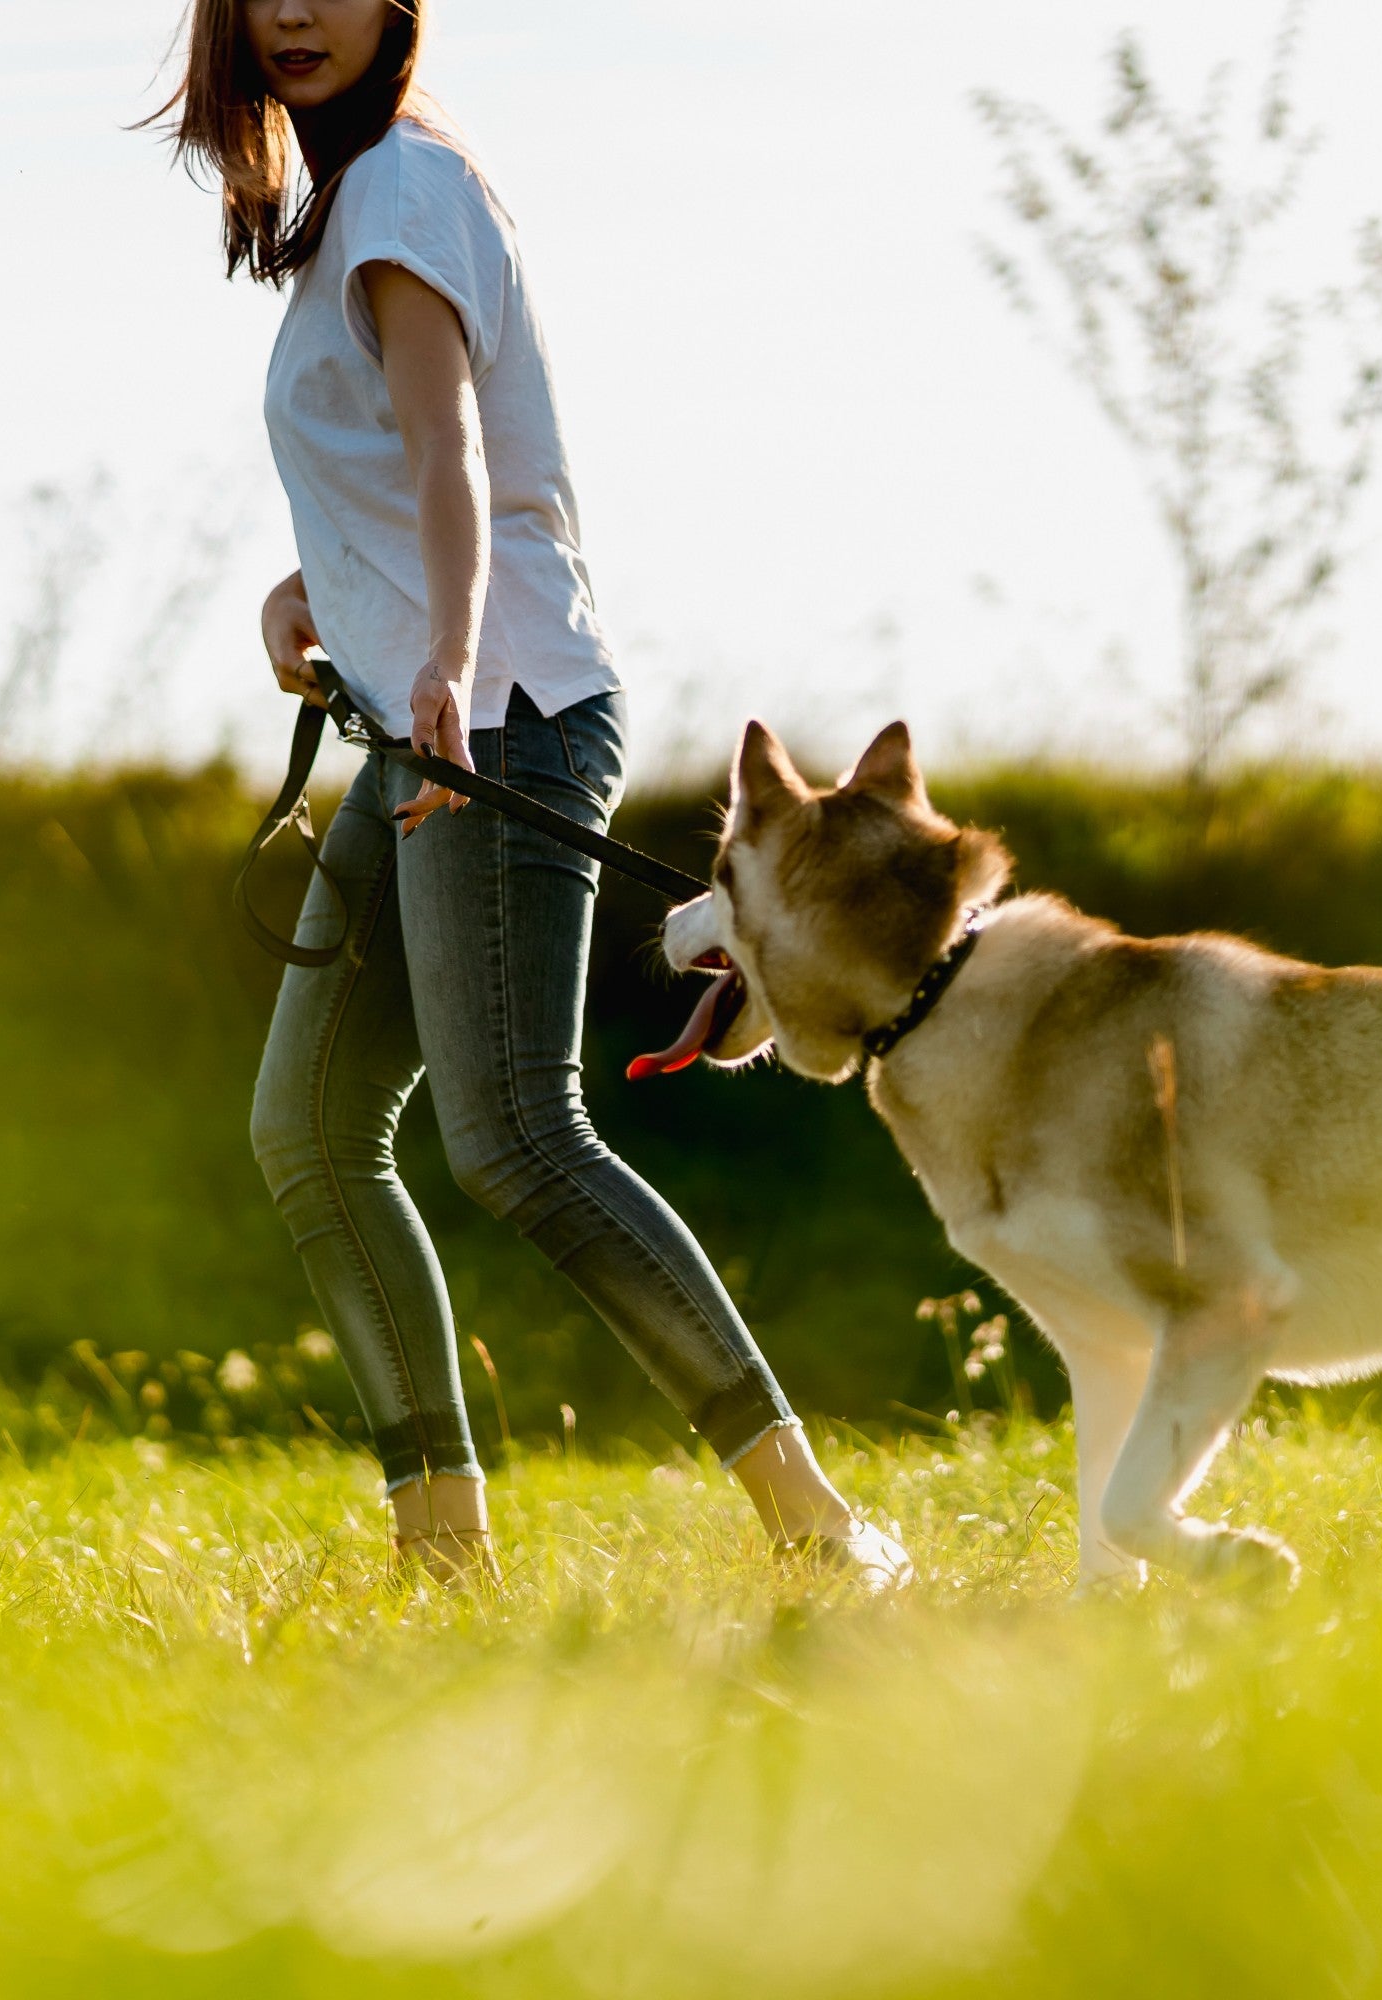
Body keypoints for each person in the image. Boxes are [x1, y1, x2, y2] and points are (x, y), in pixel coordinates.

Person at [159, 0, 905, 1584]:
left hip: (497, 721)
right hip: (426, 725)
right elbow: (414, 456)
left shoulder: (409, 187)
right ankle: (444, 1561)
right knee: (307, 1128)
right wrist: (315, 592)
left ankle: (819, 1529)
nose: (294, 11)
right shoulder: (354, 205)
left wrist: (436, 659)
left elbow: (455, 456)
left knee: (513, 1137)